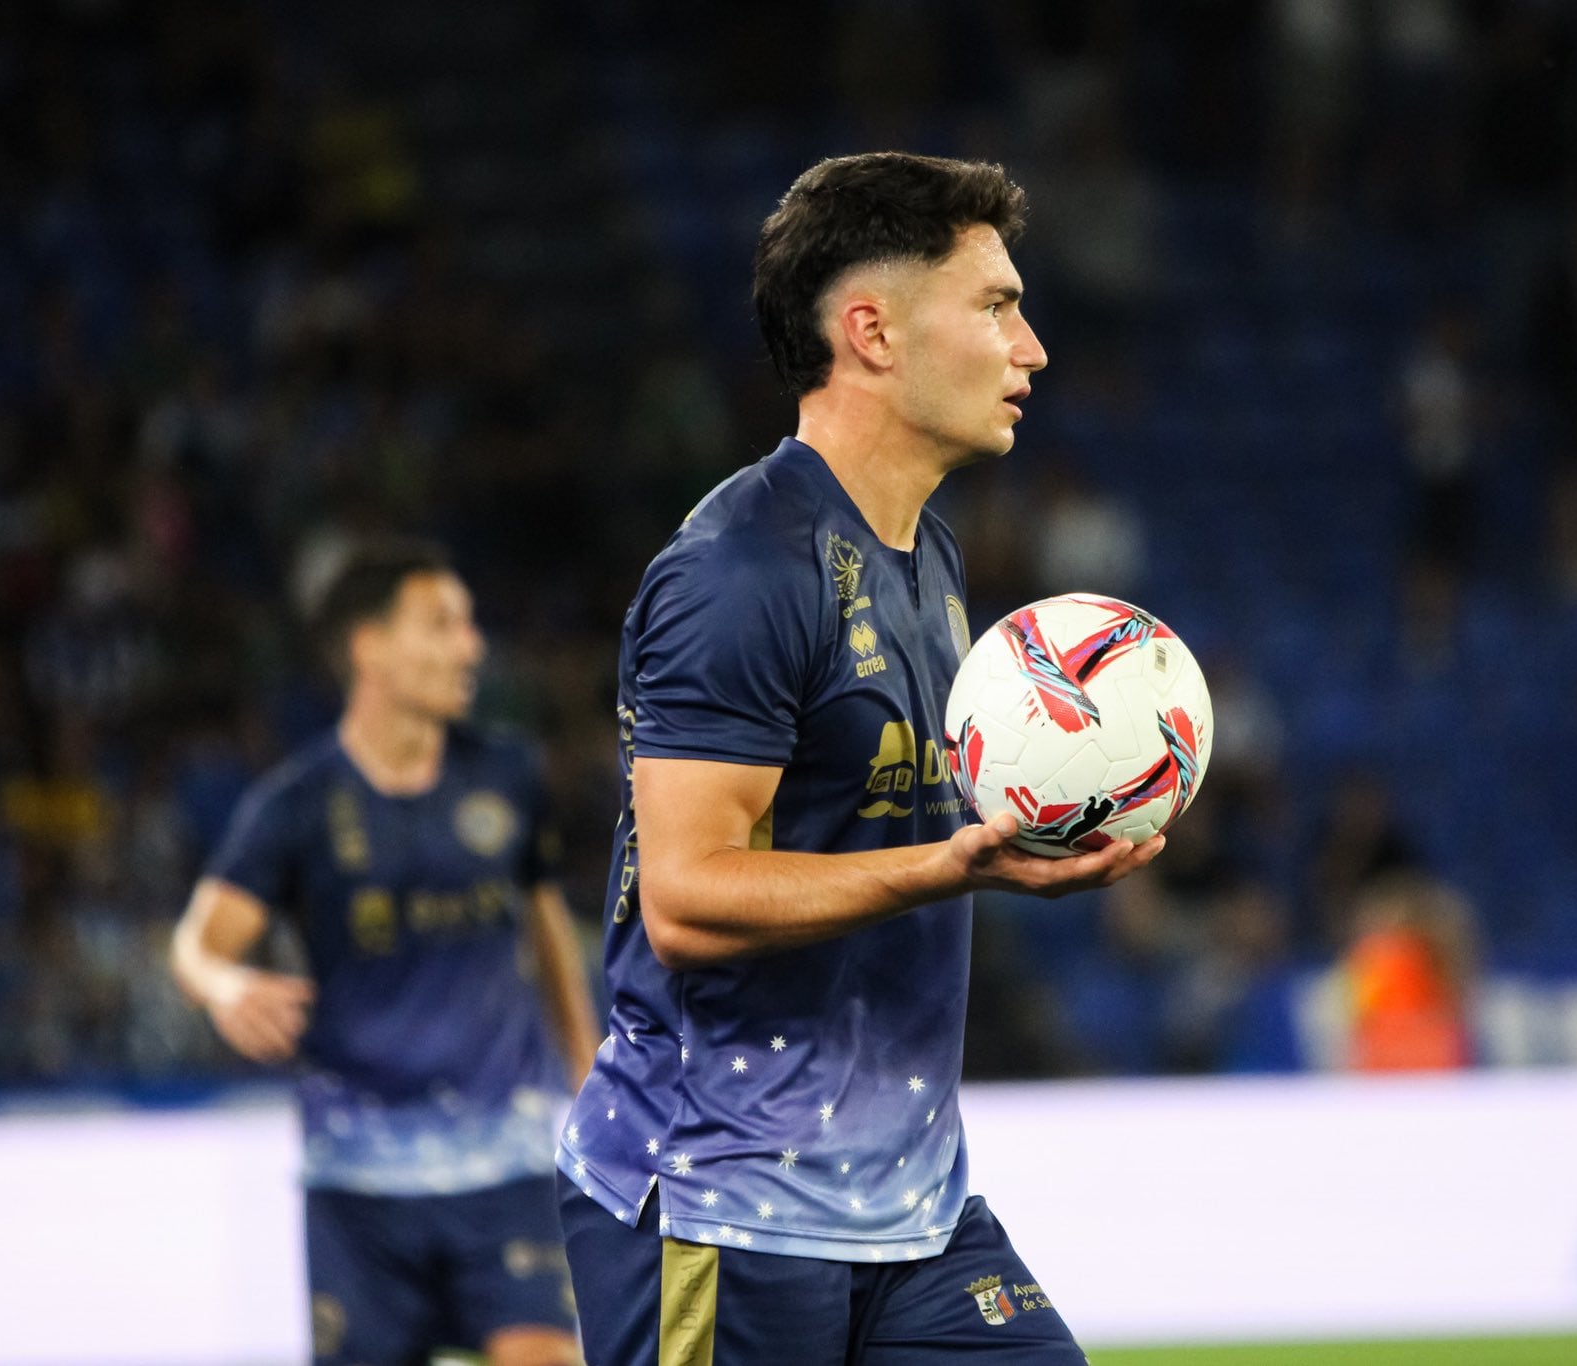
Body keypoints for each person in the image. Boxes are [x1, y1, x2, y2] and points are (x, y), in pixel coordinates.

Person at [556, 152, 1167, 1364]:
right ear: (872, 331)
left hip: (913, 1207)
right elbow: (683, 897)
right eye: (995, 305)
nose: (1030, 346)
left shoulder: (926, 559)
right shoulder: (737, 569)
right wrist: (953, 868)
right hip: (719, 1204)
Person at [171, 539, 601, 1366]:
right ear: (368, 647)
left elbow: (544, 924)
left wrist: (586, 1070)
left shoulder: (509, 775)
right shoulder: (296, 808)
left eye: (469, 624)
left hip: (504, 1166)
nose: (471, 646)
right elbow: (198, 943)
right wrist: (223, 987)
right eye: (442, 624)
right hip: (358, 1184)